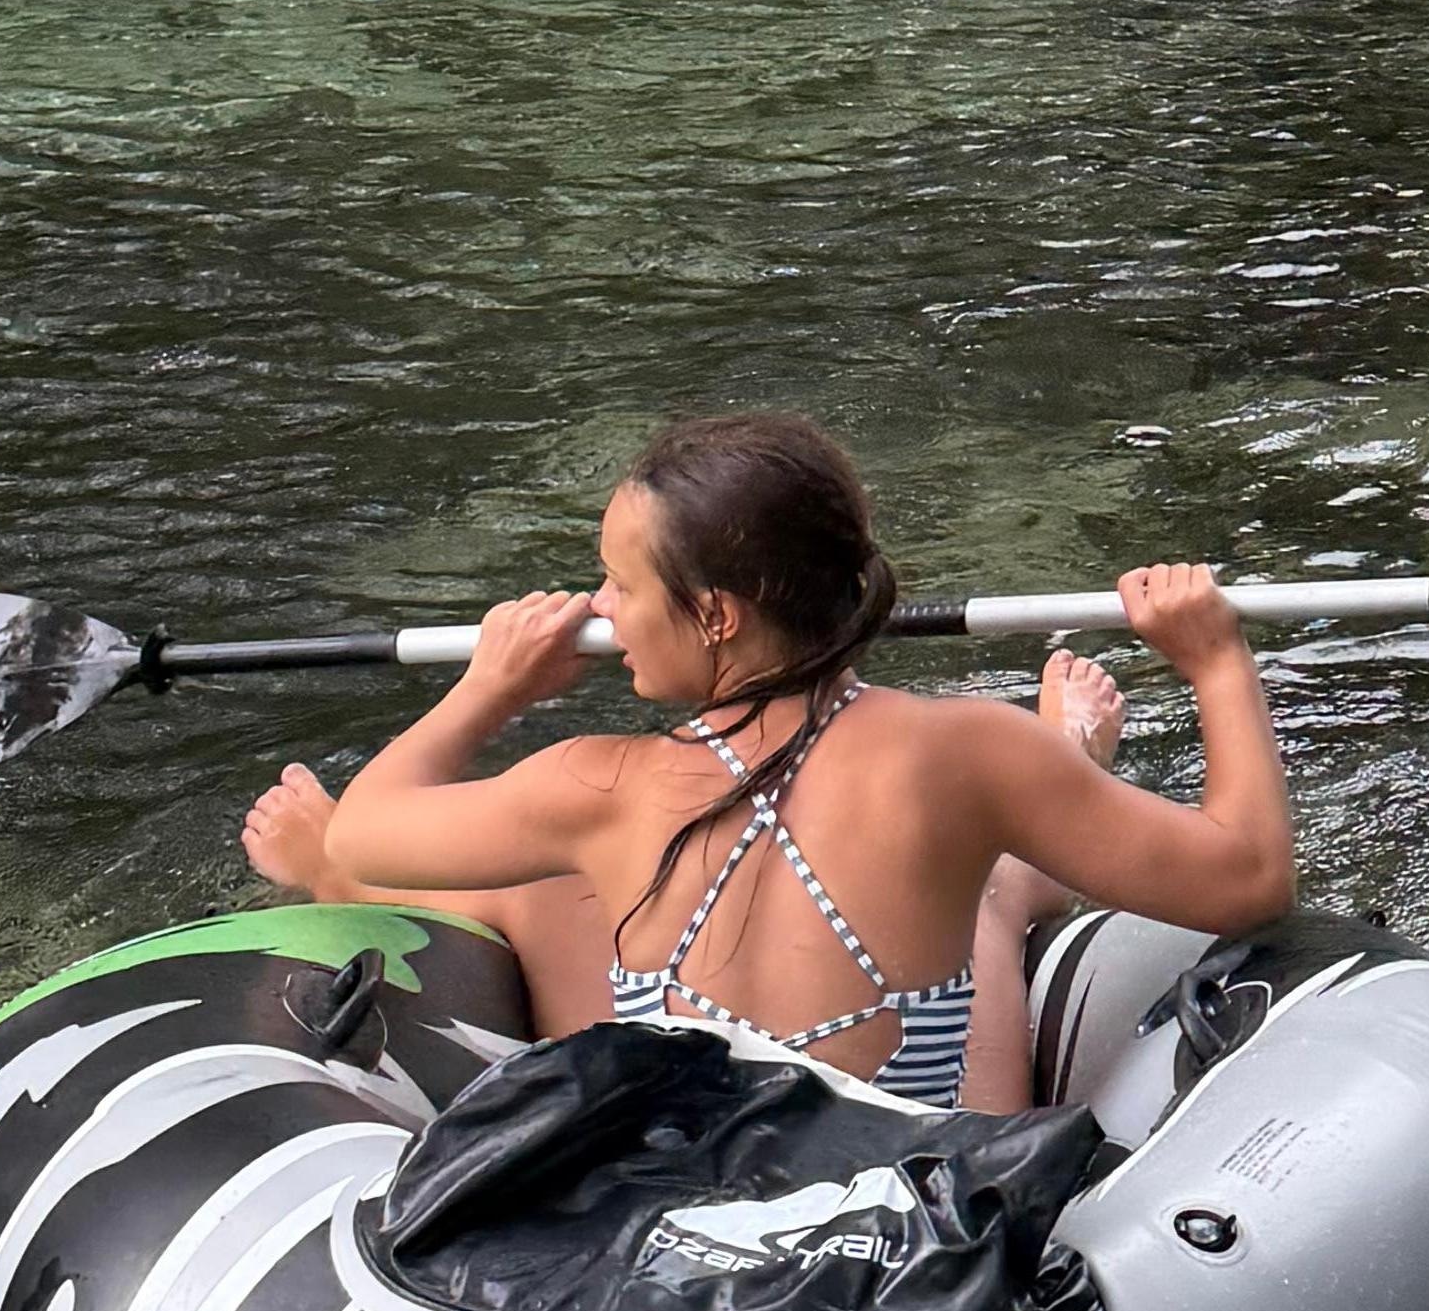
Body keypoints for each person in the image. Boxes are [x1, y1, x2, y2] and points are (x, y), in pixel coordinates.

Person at [241, 408, 1291, 1113]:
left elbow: (365, 822)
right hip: (901, 1225)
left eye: (616, 584)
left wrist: (492, 686)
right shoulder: (965, 751)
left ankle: (1054, 804)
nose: (599, 609)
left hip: (675, 1228)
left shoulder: (594, 785)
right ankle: (1068, 776)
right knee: (969, 898)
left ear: (712, 615)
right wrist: (1214, 661)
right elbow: (1247, 878)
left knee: (550, 880)